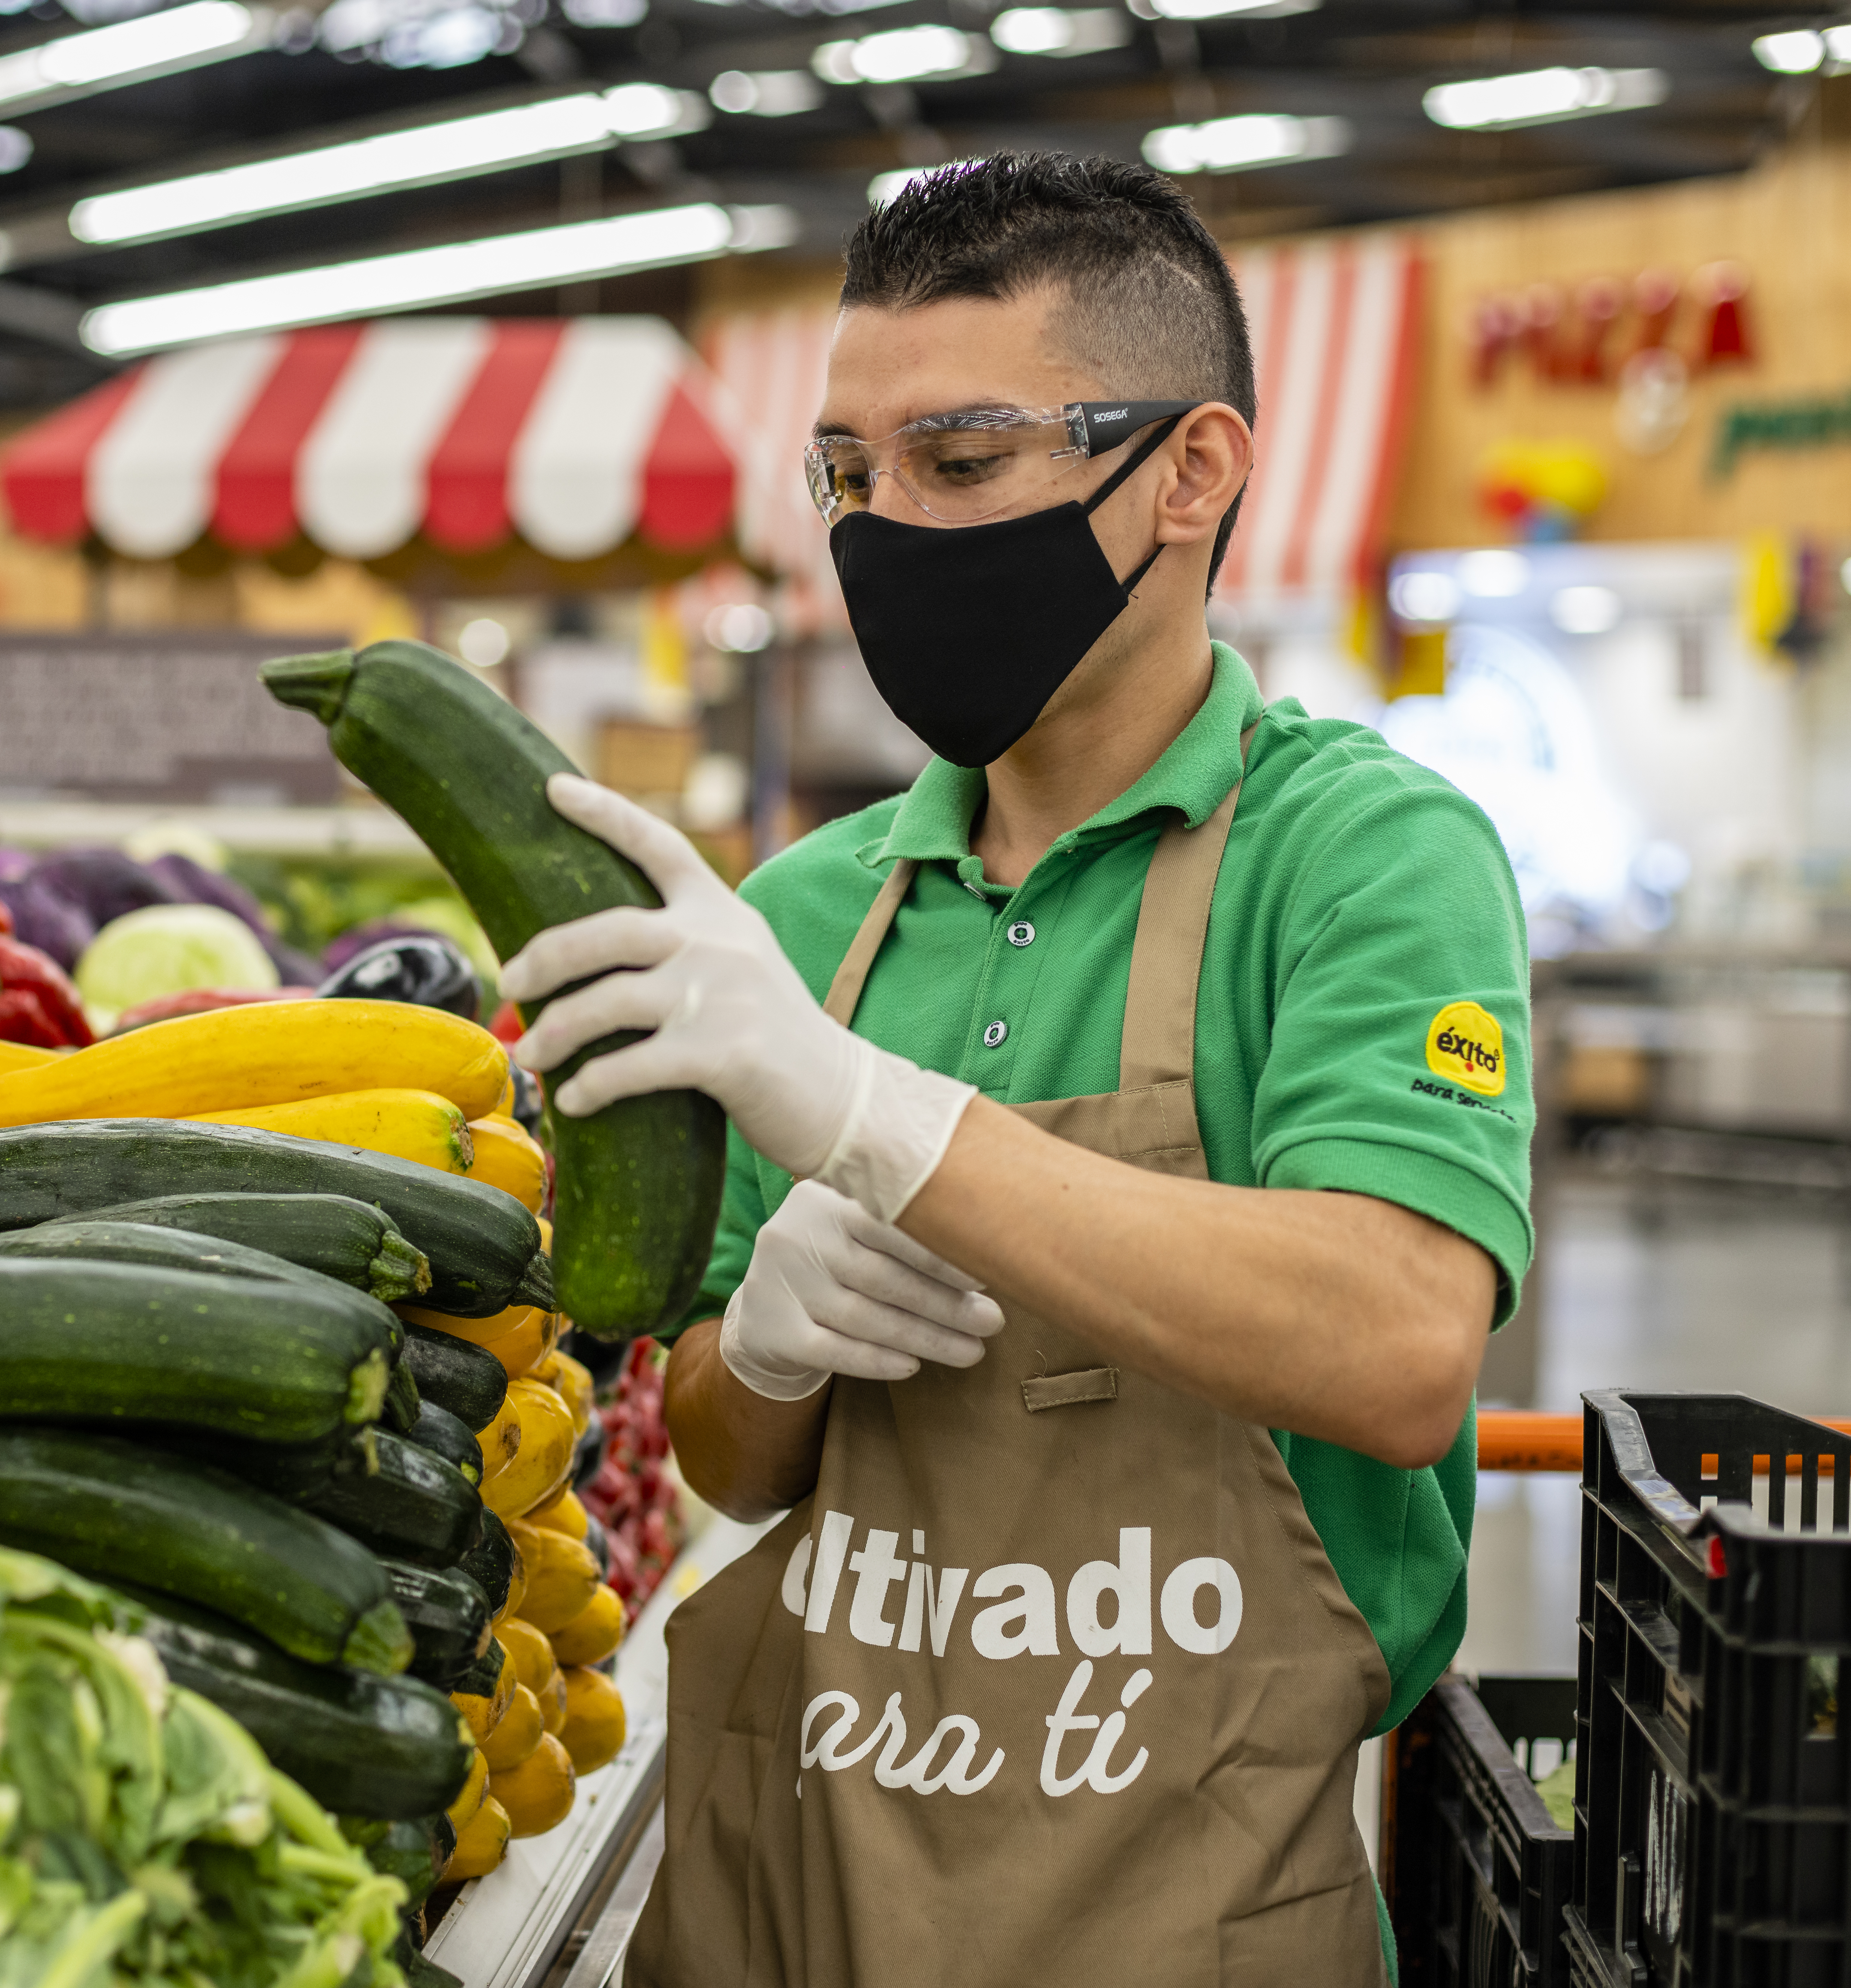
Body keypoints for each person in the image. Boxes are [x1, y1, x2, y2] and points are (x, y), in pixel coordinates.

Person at [503, 154, 1533, 1987]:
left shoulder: (1361, 859)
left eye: (960, 462)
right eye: (845, 472)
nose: (882, 527)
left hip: (1194, 1923)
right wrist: (764, 1353)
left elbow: (1394, 1346)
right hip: (808, 1899)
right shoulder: (804, 916)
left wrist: (877, 1121)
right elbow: (725, 1460)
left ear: (1187, 472)